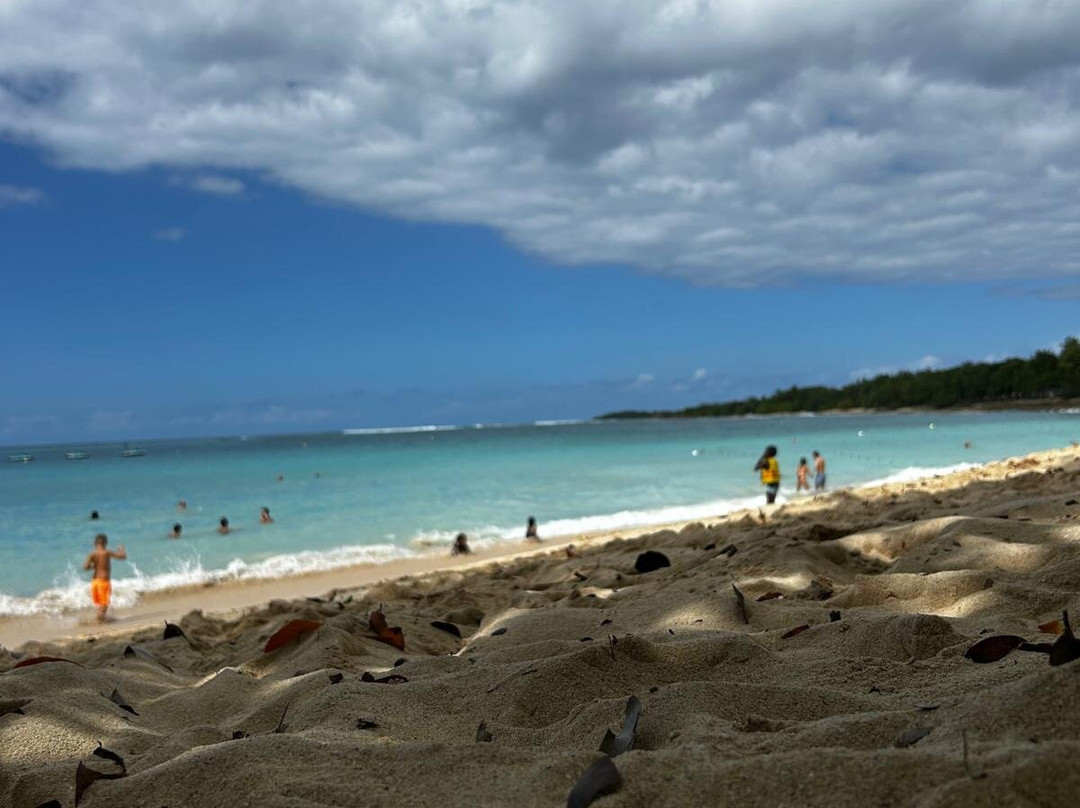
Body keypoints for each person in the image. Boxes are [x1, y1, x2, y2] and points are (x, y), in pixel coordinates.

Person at [83, 533, 126, 622]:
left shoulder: (92, 554)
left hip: (95, 582)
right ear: (105, 543)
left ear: (95, 543)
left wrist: (94, 566)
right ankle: (101, 622)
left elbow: (85, 567)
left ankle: (99, 620)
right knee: (104, 605)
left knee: (99, 605)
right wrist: (121, 549)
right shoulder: (107, 552)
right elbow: (123, 557)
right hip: (103, 581)